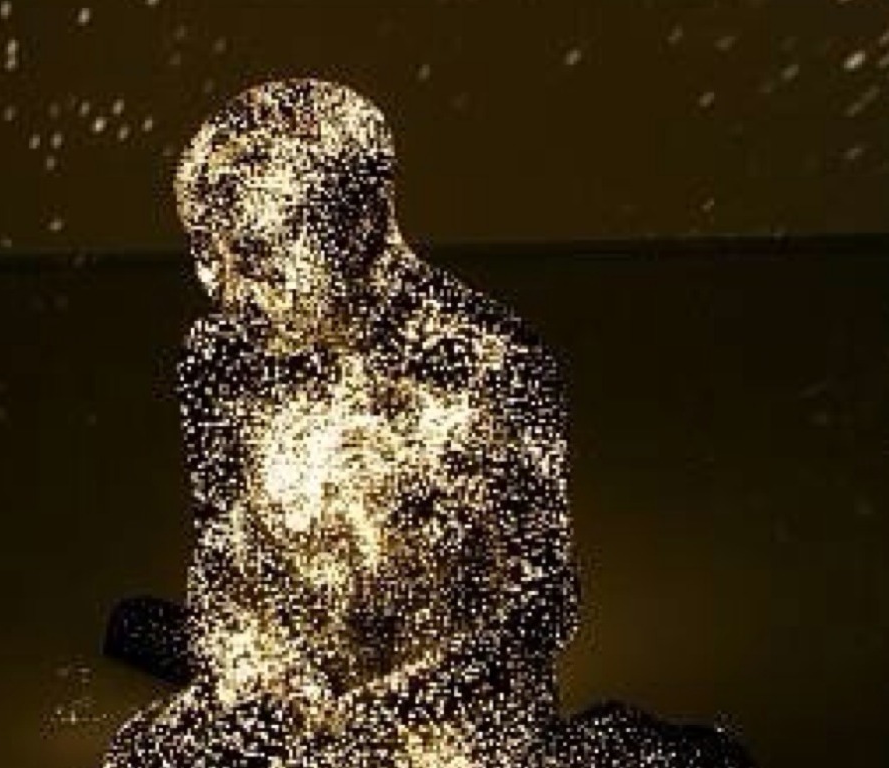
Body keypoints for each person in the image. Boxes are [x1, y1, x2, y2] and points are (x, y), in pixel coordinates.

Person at [102, 78, 751, 768]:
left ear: (357, 225)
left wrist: (394, 707)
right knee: (143, 756)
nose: (224, 289)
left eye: (258, 256)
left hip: (446, 702)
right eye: (205, 251)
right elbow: (220, 549)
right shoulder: (221, 354)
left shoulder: (489, 364)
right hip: (303, 680)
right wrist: (246, 668)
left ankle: (646, 749)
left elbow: (544, 601)